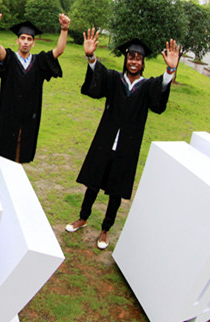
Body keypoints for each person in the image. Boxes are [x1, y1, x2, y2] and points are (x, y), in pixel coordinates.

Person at [65, 30, 180, 249]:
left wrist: (170, 70)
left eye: (138, 58)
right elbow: (96, 78)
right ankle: (83, 217)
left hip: (127, 148)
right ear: (126, 59)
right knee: (93, 184)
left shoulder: (147, 87)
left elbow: (158, 100)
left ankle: (105, 230)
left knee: (116, 191)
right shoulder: (113, 79)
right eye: (131, 57)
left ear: (143, 62)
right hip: (105, 142)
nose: (134, 61)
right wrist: (90, 57)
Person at [0, 14, 69, 163]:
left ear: (33, 43)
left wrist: (64, 29)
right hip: (9, 114)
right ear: (17, 40)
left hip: (29, 116)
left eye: (29, 39)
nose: (25, 42)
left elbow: (59, 51)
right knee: (3, 151)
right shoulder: (10, 58)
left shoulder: (39, 61)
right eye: (23, 38)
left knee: (21, 150)